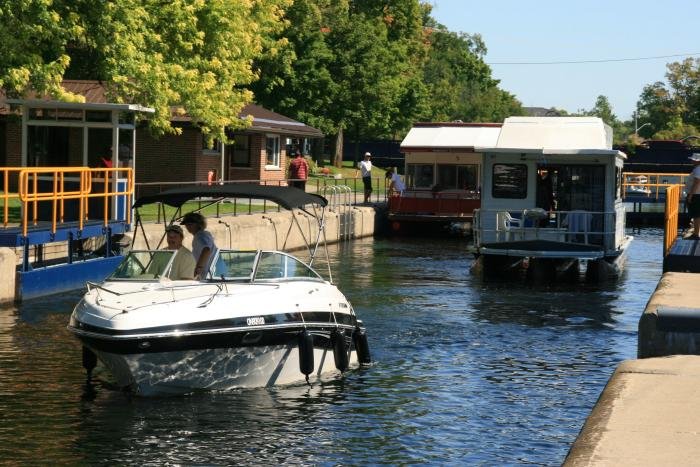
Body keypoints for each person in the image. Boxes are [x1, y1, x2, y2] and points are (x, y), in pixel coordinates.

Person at [181, 212, 218, 278]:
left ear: (198, 224)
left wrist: (198, 268)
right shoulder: (206, 234)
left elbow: (206, 249)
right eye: (186, 224)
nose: (187, 227)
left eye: (190, 224)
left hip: (208, 274)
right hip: (213, 272)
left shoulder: (199, 236)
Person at [685, 153, 700, 239]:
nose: (692, 160)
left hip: (696, 195)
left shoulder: (698, 169)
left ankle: (696, 234)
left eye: (693, 159)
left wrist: (690, 195)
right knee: (697, 214)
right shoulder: (697, 169)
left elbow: (697, 183)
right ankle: (696, 232)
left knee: (696, 214)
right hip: (697, 194)